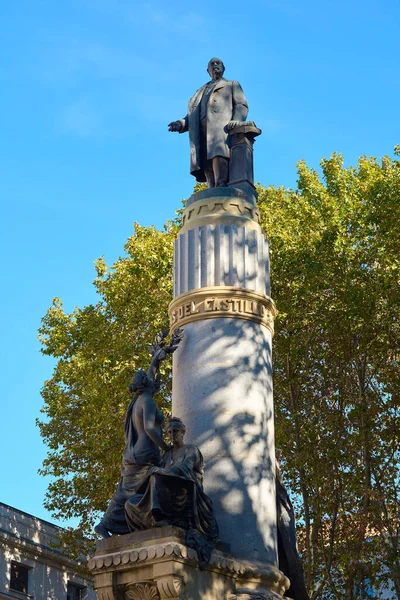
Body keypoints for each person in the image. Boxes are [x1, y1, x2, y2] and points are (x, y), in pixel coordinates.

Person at [94, 330, 183, 538]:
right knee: (150, 484)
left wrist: (157, 358)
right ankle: (153, 518)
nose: (158, 385)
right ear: (149, 386)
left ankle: (112, 523)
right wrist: (166, 447)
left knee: (127, 489)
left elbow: (150, 374)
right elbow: (151, 429)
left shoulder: (138, 400)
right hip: (145, 453)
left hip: (133, 452)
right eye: (156, 384)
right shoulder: (148, 401)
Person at [124, 417, 218, 564]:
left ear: (183, 432)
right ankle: (155, 521)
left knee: (156, 475)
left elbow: (185, 468)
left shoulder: (191, 449)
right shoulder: (167, 455)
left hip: (185, 493)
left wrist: (161, 471)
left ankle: (159, 517)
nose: (172, 434)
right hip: (166, 495)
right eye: (169, 432)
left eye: (175, 431)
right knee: (130, 503)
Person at [168, 57, 248, 187]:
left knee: (218, 154)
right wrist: (180, 123)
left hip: (220, 129)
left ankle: (221, 185)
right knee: (205, 159)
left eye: (218, 63)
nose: (215, 65)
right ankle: (212, 189)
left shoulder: (232, 84)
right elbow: (191, 116)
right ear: (208, 70)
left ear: (223, 68)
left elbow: (241, 105)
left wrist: (237, 119)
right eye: (212, 64)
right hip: (201, 131)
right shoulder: (200, 92)